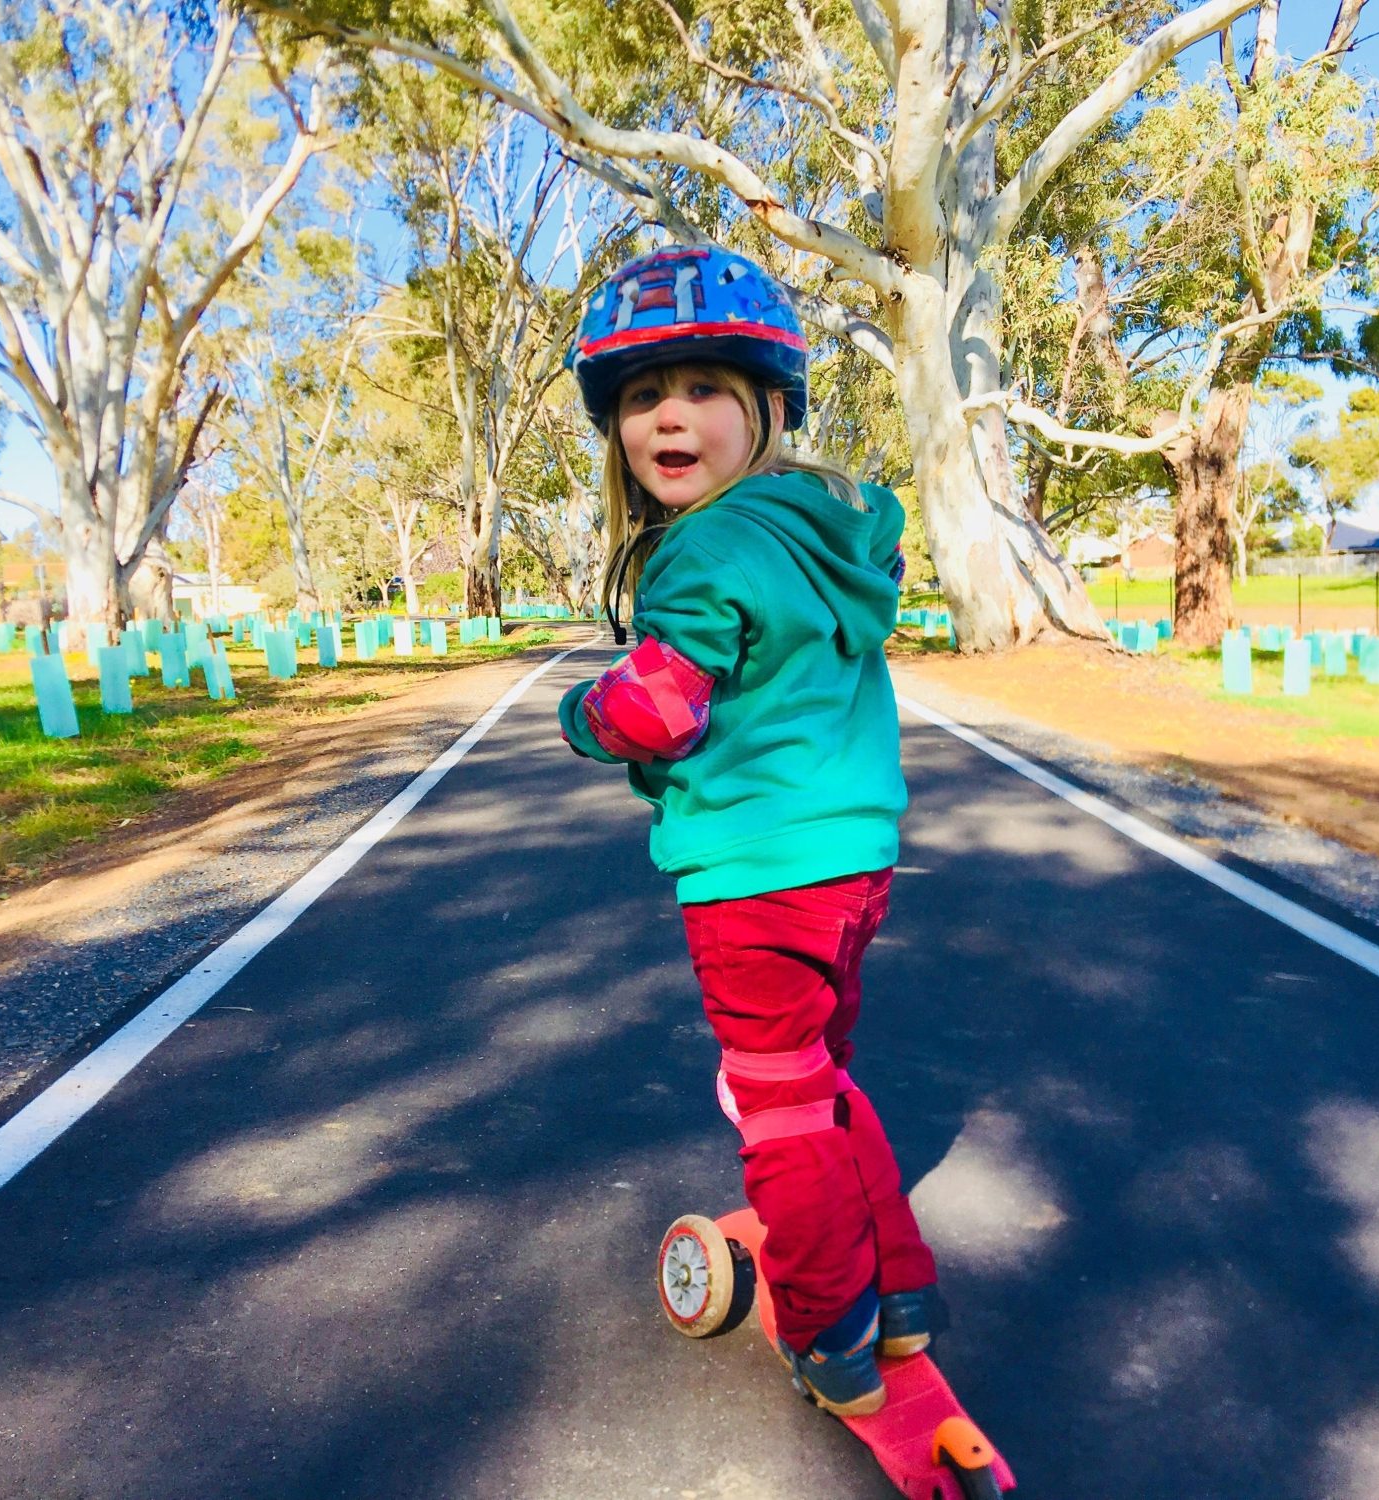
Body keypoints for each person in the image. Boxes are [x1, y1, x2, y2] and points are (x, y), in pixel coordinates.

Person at [556, 245, 943, 1417]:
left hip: (756, 878)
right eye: (639, 397)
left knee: (775, 1101)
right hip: (854, 864)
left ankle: (828, 1325)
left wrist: (580, 714)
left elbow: (657, 711)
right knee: (820, 1079)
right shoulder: (818, 528)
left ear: (768, 406)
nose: (669, 414)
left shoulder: (705, 547)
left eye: (704, 389)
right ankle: (903, 1294)